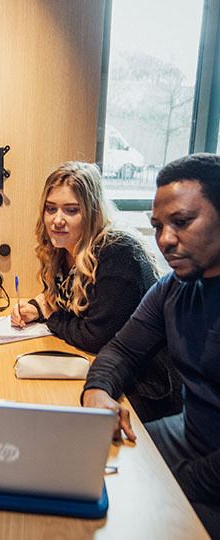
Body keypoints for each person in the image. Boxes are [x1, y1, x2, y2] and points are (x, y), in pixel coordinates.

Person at [82, 153, 220, 537]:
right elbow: (121, 350)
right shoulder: (173, 287)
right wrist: (97, 391)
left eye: (182, 222)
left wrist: (170, 481)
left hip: (210, 469)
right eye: (157, 226)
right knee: (77, 463)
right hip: (191, 434)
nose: (165, 240)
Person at [10, 161, 181, 420]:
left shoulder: (118, 251)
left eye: (71, 210)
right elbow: (60, 299)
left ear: (91, 213)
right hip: (104, 371)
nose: (57, 220)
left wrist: (50, 316)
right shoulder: (63, 249)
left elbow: (95, 336)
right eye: (50, 209)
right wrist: (36, 307)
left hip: (146, 387)